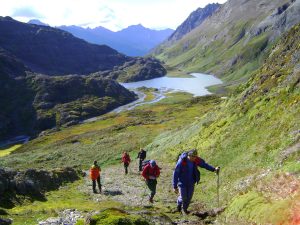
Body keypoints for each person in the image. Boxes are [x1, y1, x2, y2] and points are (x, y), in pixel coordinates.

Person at [172, 149, 220, 214]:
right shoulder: (182, 161)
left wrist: (214, 169)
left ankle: (184, 209)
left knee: (189, 198)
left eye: (195, 157)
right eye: (193, 157)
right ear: (189, 156)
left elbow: (204, 165)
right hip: (182, 183)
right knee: (184, 197)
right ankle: (179, 205)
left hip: (191, 182)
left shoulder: (196, 160)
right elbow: (176, 173)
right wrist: (174, 186)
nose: (194, 158)